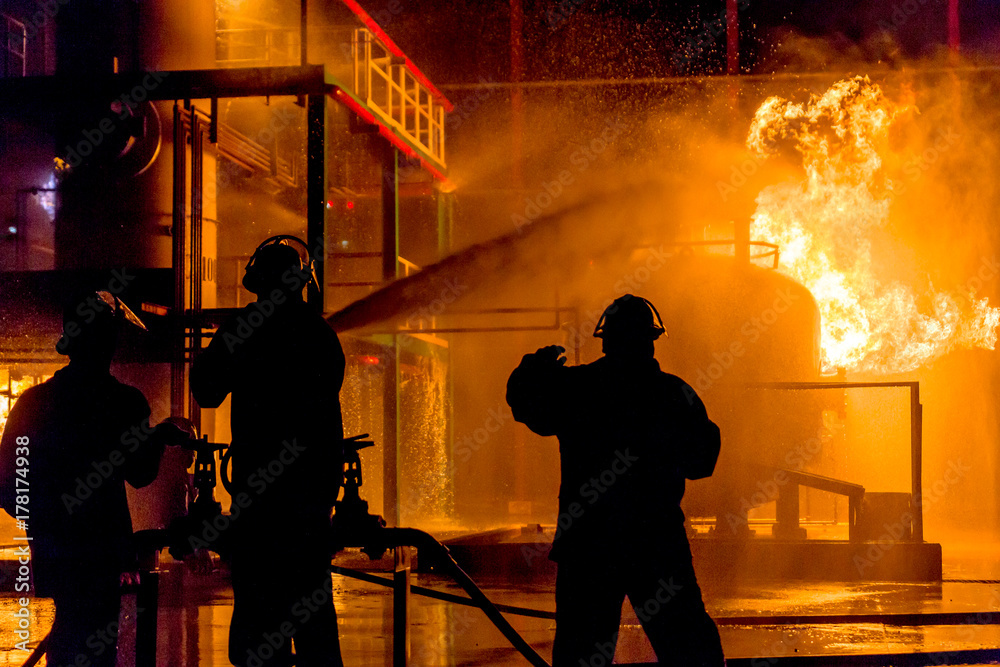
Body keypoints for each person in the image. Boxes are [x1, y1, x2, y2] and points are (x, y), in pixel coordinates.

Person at [506, 294, 725, 667]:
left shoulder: (576, 388)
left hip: (589, 547)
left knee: (581, 654)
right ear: (651, 339)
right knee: (690, 652)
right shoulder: (675, 394)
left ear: (605, 339)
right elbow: (702, 462)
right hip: (655, 545)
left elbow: (526, 405)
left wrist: (533, 368)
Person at [191, 238, 346, 667]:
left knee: (258, 634)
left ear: (256, 280)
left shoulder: (243, 329)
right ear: (302, 282)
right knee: (315, 628)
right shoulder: (320, 335)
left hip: (258, 508)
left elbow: (205, 392)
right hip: (310, 506)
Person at [0, 290, 165, 667]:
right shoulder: (125, 403)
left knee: (69, 633)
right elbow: (141, 474)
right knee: (97, 643)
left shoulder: (33, 403)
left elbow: (8, 483)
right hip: (106, 552)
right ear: (108, 341)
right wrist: (157, 440)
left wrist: (45, 521)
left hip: (55, 553)